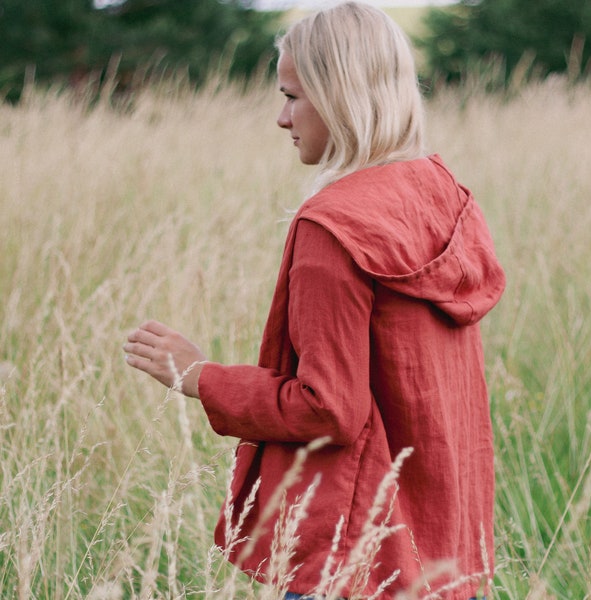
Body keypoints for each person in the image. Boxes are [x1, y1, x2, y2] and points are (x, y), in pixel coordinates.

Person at [123, 2, 505, 599]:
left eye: (292, 95)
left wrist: (200, 376)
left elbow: (328, 408)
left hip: (357, 562)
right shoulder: (444, 194)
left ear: (341, 97)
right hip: (444, 554)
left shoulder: (331, 228)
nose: (281, 117)